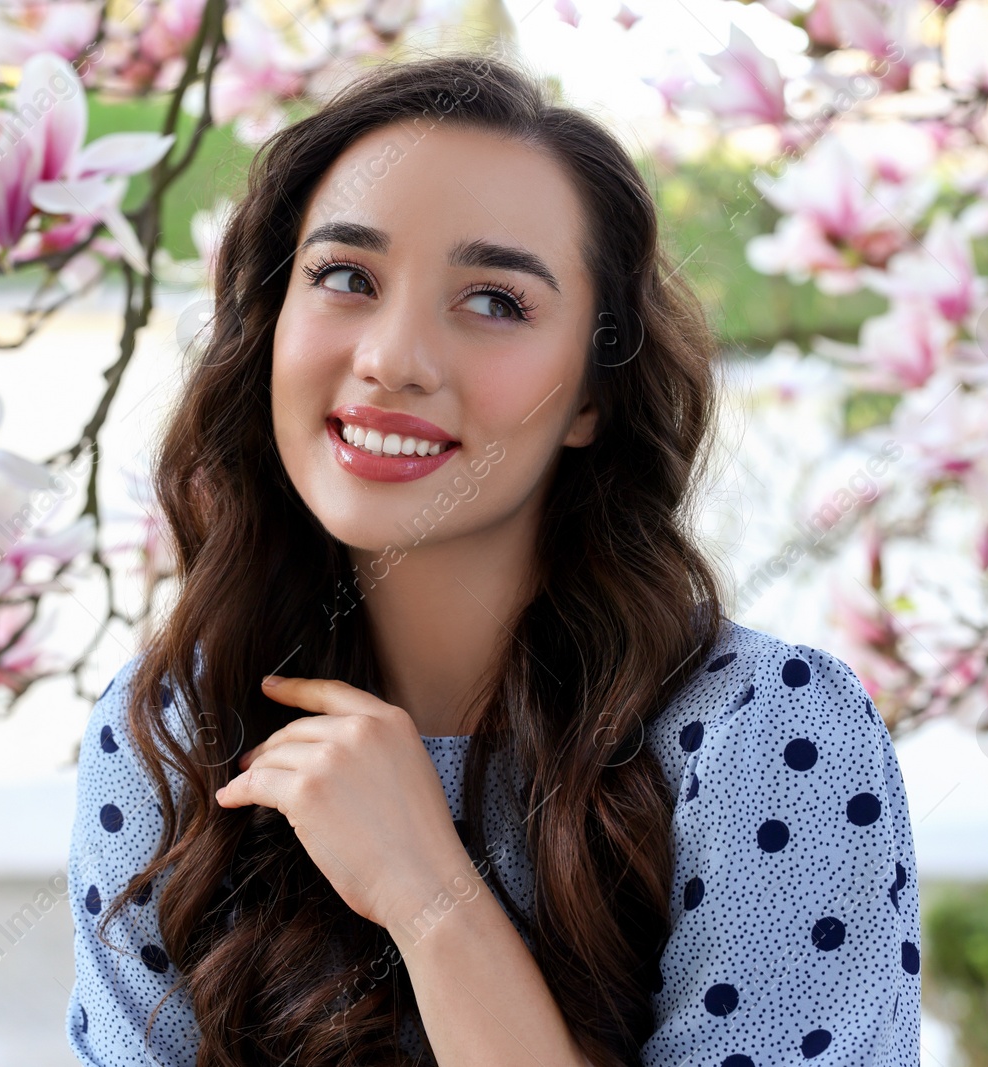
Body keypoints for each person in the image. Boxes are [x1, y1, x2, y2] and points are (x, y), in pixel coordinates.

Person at [67, 47, 921, 1067]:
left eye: (494, 301)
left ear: (593, 393)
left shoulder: (760, 735)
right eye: (345, 276)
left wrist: (431, 900)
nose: (391, 358)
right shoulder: (171, 733)